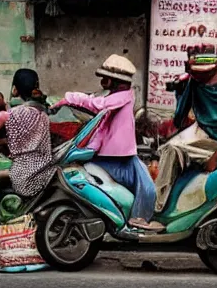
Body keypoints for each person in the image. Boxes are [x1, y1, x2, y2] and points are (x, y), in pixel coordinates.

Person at [51, 54, 163, 231]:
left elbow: (98, 105)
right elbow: (99, 118)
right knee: (147, 188)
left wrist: (72, 97)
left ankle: (137, 217)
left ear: (115, 81)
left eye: (106, 78)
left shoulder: (122, 97)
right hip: (113, 157)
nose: (103, 81)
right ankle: (138, 219)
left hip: (119, 157)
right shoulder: (116, 98)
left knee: (148, 188)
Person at [154, 44, 217, 212]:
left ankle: (157, 208)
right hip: (202, 133)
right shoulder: (194, 83)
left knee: (173, 150)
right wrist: (181, 92)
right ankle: (159, 207)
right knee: (168, 150)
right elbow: (180, 117)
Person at [0, 69, 56, 197]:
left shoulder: (10, 114)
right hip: (46, 173)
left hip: (23, 178)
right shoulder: (43, 112)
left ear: (15, 89)